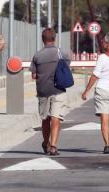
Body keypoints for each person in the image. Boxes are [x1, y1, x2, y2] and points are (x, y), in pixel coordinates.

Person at [30, 28, 71, 156]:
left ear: (43, 39)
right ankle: (53, 146)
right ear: (54, 38)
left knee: (46, 119)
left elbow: (34, 75)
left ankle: (47, 143)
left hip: (42, 91)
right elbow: (67, 67)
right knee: (55, 118)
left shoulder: (37, 55)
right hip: (58, 89)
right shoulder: (63, 53)